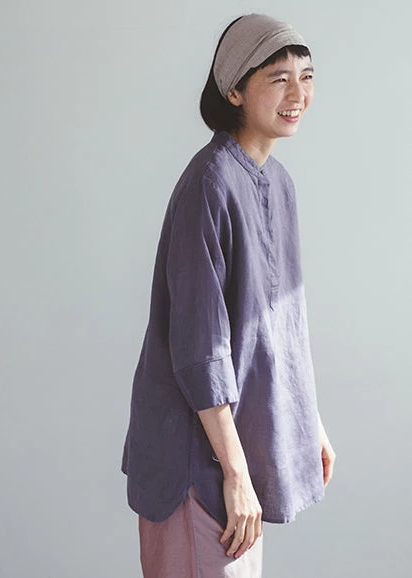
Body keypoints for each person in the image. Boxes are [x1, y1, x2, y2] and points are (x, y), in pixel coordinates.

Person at [121, 12, 336, 578]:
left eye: (307, 77)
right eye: (279, 79)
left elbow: (279, 323)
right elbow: (201, 350)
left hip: (239, 454)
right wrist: (236, 475)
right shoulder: (210, 183)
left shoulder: (278, 184)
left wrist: (308, 421)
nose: (298, 95)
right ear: (234, 90)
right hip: (197, 463)